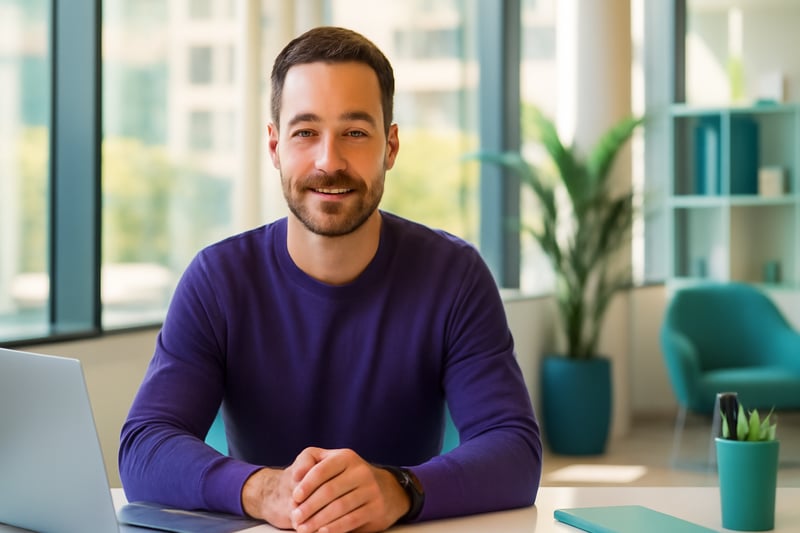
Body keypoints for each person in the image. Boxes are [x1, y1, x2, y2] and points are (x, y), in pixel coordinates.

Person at [119, 25, 542, 533]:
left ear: (391, 146)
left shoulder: (454, 276)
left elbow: (514, 449)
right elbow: (144, 447)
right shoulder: (218, 279)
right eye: (305, 132)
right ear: (275, 146)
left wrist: (399, 489)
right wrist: (262, 489)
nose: (329, 161)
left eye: (355, 133)